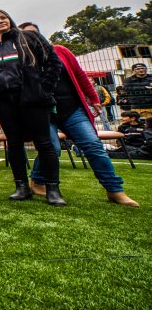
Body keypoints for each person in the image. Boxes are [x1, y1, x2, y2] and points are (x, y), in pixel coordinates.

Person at [17, 23, 139, 207]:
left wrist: (92, 97)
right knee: (52, 148)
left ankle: (115, 190)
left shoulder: (61, 51)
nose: (33, 39)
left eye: (35, 34)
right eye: (26, 36)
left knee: (93, 145)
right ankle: (38, 179)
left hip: (71, 109)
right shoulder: (22, 58)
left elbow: (80, 75)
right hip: (43, 113)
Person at [0, 8, 65, 206]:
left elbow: (53, 63)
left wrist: (43, 89)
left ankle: (53, 189)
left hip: (33, 100)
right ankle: (21, 187)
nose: (0, 21)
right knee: (14, 143)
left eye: (3, 17)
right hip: (4, 102)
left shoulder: (29, 38)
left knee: (44, 143)